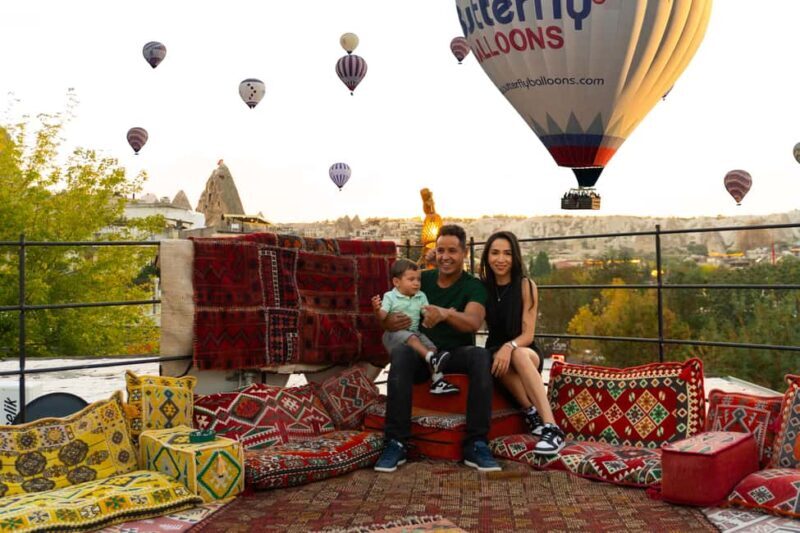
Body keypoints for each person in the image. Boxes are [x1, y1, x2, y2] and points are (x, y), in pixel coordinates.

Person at [374, 224, 500, 473]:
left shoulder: (473, 286)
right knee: (401, 352)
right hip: (423, 354)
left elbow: (473, 322)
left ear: (464, 253)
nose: (445, 256)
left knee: (480, 355)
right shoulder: (421, 279)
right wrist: (386, 321)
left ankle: (475, 443)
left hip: (452, 355)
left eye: (452, 250)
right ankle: (396, 441)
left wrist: (444, 314)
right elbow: (388, 314)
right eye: (440, 250)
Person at [480, 231, 565, 455]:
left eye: (507, 253)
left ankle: (552, 428)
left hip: (526, 352)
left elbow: (528, 335)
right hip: (498, 358)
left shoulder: (526, 285)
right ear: (487, 256)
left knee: (514, 354)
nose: (501, 259)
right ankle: (530, 413)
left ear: (515, 257)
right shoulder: (483, 287)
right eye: (495, 253)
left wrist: (510, 346)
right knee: (491, 355)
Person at [371, 259, 459, 395]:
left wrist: (445, 313)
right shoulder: (390, 296)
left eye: (418, 279)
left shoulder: (420, 296)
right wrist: (377, 310)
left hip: (413, 332)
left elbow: (426, 311)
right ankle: (431, 359)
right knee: (413, 339)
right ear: (396, 282)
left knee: (431, 347)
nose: (416, 283)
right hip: (393, 334)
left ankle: (437, 380)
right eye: (411, 279)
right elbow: (383, 316)